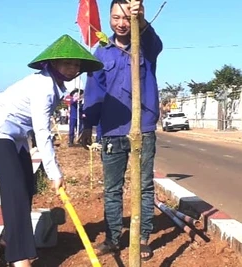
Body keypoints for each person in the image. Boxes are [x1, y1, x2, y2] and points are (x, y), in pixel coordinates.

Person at [0, 34, 103, 267]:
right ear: (53, 63)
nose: (73, 68)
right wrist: (55, 173)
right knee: (14, 188)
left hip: (16, 136)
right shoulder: (43, 87)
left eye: (76, 64)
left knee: (26, 187)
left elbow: (35, 128)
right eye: (67, 63)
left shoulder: (56, 86)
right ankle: (19, 257)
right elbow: (42, 131)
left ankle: (10, 240)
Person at [80, 0, 163, 261]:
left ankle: (142, 238)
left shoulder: (144, 45)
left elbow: (156, 42)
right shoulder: (100, 52)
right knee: (112, 189)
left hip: (144, 128)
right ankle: (113, 238)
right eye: (116, 17)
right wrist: (88, 125)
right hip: (112, 131)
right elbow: (94, 92)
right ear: (109, 19)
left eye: (127, 18)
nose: (121, 23)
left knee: (144, 186)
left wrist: (142, 20)